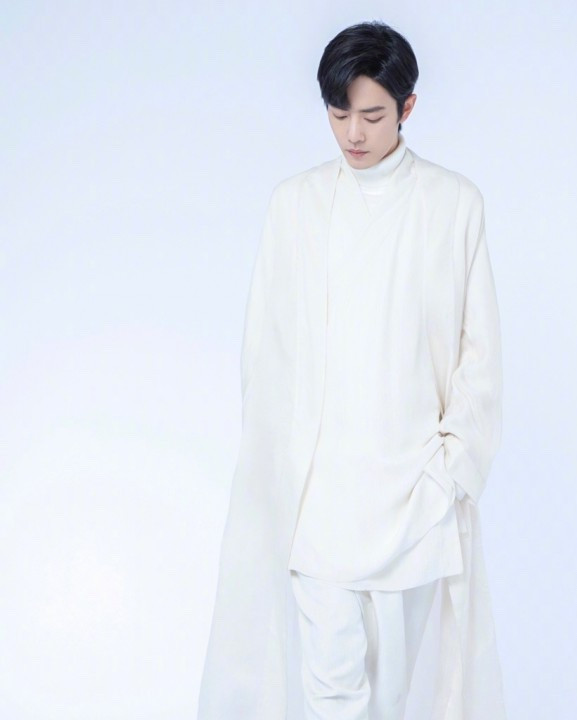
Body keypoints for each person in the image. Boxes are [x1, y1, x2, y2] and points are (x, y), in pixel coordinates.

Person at [197, 20, 507, 720]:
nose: (353, 134)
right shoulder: (295, 204)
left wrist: (449, 472)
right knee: (332, 691)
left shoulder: (453, 204)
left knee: (391, 695)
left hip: (414, 496)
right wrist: (276, 468)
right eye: (339, 115)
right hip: (319, 495)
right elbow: (264, 348)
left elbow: (480, 354)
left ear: (408, 107)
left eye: (371, 115)